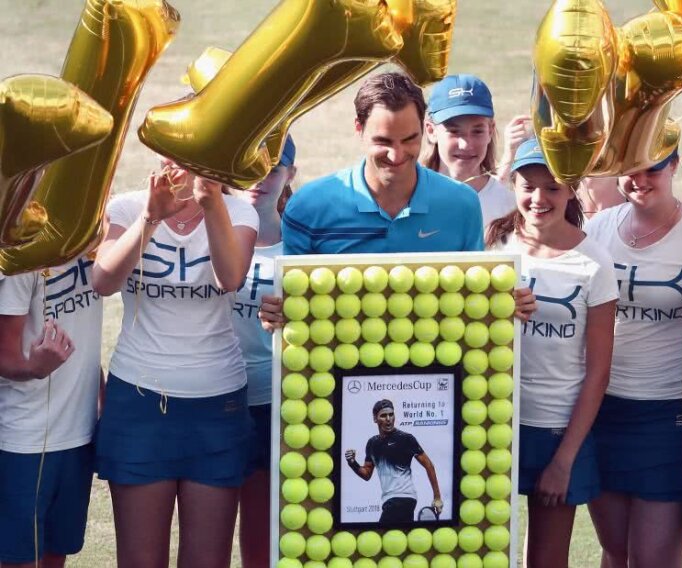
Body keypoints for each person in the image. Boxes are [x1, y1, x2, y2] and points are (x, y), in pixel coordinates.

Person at [259, 71, 538, 331]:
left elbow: (470, 299)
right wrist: (280, 312)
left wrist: (502, 302)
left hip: (435, 379)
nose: (397, 155)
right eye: (384, 141)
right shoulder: (309, 207)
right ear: (358, 128)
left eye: (409, 139)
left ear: (424, 129)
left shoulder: (463, 205)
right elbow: (294, 303)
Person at [92, 158, 258, 568]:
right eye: (172, 154)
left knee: (207, 560)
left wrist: (211, 201)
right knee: (140, 560)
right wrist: (150, 218)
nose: (180, 167)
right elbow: (103, 280)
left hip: (218, 405)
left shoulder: (239, 211)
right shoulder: (127, 208)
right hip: (139, 401)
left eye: (195, 157)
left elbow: (229, 277)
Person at [486, 139, 618, 568]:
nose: (538, 198)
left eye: (553, 188)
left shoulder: (595, 262)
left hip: (558, 429)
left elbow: (598, 372)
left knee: (546, 560)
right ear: (513, 184)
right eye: (528, 186)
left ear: (572, 189)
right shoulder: (493, 247)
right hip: (491, 425)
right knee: (485, 552)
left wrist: (565, 459)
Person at [583, 147, 682, 568]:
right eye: (628, 168)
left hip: (668, 416)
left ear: (675, 164)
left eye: (652, 167)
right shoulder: (600, 227)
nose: (639, 178)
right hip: (602, 412)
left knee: (653, 560)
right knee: (616, 552)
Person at [0, 258, 102, 568]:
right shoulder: (21, 258)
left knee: (57, 552)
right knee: (18, 559)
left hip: (79, 431)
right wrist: (32, 368)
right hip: (24, 440)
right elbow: (4, 355)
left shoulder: (91, 247)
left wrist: (103, 393)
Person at [231, 135, 296, 568]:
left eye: (273, 166)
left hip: (281, 399)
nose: (260, 178)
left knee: (270, 517)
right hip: (220, 393)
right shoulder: (207, 232)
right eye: (249, 166)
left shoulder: (303, 244)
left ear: (291, 173)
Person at [420, 74, 515, 226]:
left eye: (477, 131)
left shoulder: (510, 204)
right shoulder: (409, 198)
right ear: (431, 131)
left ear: (490, 131)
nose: (465, 144)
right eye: (454, 131)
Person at [344, 399, 443, 524]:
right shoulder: (372, 443)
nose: (388, 419)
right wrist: (352, 462)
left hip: (403, 497)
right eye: (383, 416)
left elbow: (429, 465)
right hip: (390, 500)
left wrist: (437, 497)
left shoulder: (406, 439)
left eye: (391, 414)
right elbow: (366, 474)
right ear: (375, 419)